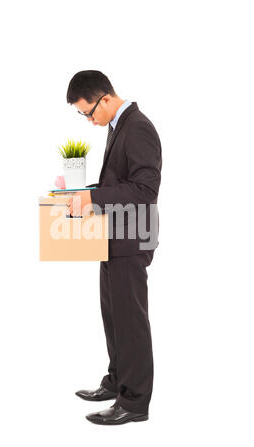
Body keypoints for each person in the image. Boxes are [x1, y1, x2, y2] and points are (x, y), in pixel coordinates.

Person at [66, 70, 162, 425]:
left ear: (105, 98)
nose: (89, 121)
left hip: (133, 238)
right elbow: (118, 183)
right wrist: (79, 193)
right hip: (113, 235)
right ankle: (117, 381)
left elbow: (144, 191)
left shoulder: (138, 127)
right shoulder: (116, 126)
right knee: (113, 315)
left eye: (89, 112)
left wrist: (91, 197)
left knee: (130, 320)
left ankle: (134, 403)